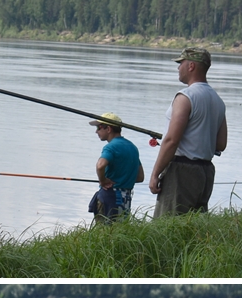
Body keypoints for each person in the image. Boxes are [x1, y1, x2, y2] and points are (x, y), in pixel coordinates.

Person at [148, 47, 227, 217]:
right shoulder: (218, 101)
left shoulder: (186, 97)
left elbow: (171, 140)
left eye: (181, 63)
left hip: (181, 173)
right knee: (193, 231)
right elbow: (221, 144)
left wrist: (155, 174)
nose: (178, 68)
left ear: (191, 66)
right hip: (205, 173)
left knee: (167, 229)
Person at [87, 112, 144, 222]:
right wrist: (123, 179)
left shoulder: (110, 147)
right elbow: (140, 177)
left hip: (109, 196)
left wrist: (103, 180)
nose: (96, 131)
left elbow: (100, 166)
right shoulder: (133, 147)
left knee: (103, 233)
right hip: (125, 199)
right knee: (119, 232)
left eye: (99, 128)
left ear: (108, 129)